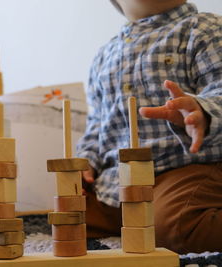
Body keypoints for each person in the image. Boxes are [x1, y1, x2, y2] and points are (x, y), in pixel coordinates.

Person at [77, 0, 222, 254]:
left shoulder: (204, 29)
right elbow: (97, 124)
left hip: (185, 170)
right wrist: (86, 160)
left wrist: (202, 112)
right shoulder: (104, 55)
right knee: (69, 214)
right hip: (117, 182)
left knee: (177, 227)